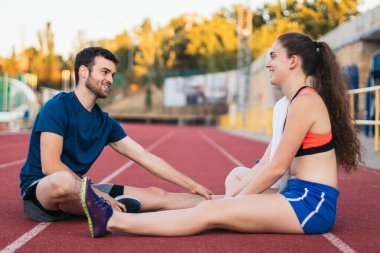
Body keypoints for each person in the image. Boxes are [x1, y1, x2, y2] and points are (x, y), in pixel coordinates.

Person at [81, 32, 362, 237]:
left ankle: (114, 221)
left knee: (210, 212)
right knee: (230, 185)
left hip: (311, 204)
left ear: (293, 61)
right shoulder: (291, 103)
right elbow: (266, 163)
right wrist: (233, 198)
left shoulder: (305, 101)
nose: (268, 63)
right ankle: (182, 209)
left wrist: (232, 203)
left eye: (274, 56)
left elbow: (277, 167)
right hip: (295, 193)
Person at [19, 47, 212, 222]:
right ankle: (110, 209)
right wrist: (97, 194)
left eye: (112, 74)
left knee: (157, 195)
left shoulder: (106, 123)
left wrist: (193, 185)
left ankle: (223, 201)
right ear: (83, 72)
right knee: (64, 182)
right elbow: (50, 166)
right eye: (104, 72)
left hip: (83, 191)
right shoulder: (57, 107)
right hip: (42, 192)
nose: (110, 80)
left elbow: (145, 157)